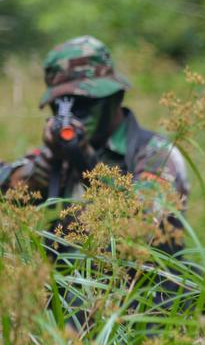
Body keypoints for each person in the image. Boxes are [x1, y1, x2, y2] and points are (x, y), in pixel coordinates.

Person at [0, 35, 189, 223]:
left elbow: (145, 218)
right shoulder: (60, 154)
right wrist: (36, 173)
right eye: (60, 105)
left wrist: (87, 163)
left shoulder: (157, 153)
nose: (72, 114)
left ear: (116, 97)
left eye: (83, 103)